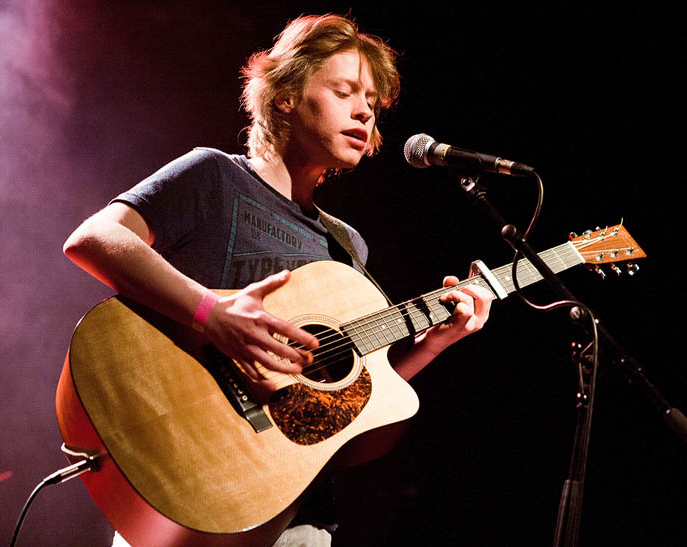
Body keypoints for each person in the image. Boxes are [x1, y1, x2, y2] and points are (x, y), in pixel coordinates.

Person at [63, 13, 493, 546]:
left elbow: (351, 404)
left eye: (373, 102)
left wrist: (432, 345)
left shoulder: (347, 247)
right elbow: (94, 238)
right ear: (286, 93)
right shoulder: (214, 177)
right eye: (344, 91)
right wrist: (211, 315)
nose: (364, 110)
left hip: (295, 518)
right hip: (190, 484)